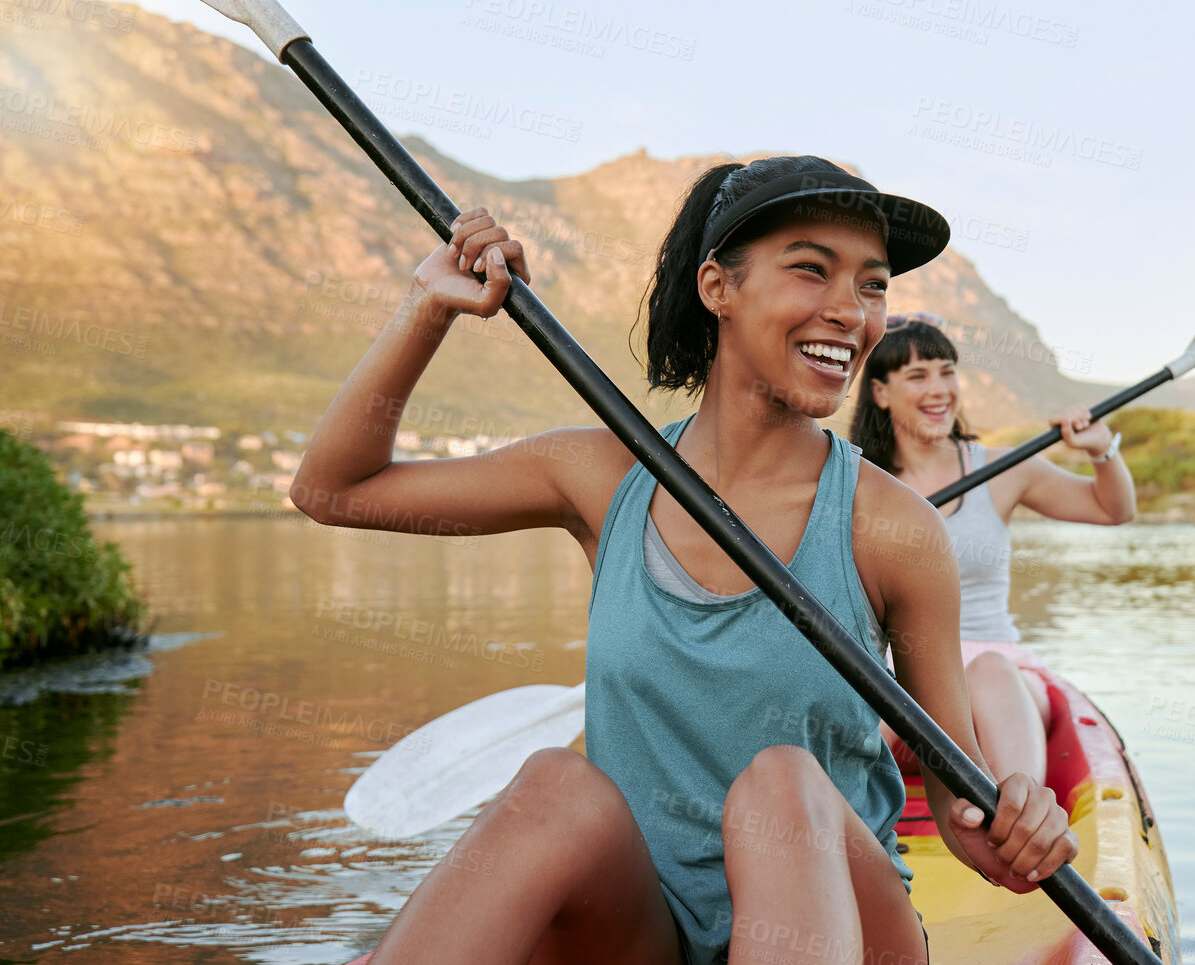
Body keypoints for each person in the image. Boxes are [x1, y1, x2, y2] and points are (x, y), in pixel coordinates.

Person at [290, 156, 1077, 965]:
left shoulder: (894, 527)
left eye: (872, 285)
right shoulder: (600, 476)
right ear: (717, 288)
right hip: (645, 933)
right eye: (811, 270)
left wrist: (1007, 826)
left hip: (848, 927)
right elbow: (335, 489)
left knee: (782, 782)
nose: (849, 312)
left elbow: (956, 794)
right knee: (554, 785)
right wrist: (428, 307)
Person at [850, 315, 1136, 784]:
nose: (939, 389)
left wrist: (1101, 451)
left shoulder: (1004, 468)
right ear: (881, 393)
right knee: (866, 696)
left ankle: (1021, 822)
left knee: (988, 672)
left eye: (947, 371)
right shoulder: (856, 482)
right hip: (902, 687)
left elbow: (1111, 509)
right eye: (918, 376)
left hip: (1001, 683)